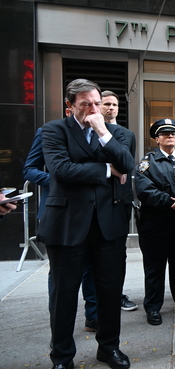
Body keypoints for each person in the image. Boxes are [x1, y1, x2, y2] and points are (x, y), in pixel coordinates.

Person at [38, 78, 134, 369]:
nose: (93, 109)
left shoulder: (119, 133)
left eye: (96, 103)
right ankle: (62, 356)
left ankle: (109, 348)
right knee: (64, 294)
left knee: (109, 291)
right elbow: (61, 169)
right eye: (85, 105)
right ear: (70, 107)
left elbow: (127, 165)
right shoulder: (54, 131)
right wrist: (107, 169)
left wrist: (103, 132)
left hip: (110, 226)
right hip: (68, 224)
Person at [23, 124, 99, 333]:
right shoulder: (49, 132)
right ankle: (59, 328)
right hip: (60, 214)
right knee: (60, 276)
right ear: (70, 107)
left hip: (92, 213)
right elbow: (30, 169)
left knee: (92, 269)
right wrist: (61, 180)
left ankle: (93, 317)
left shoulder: (99, 134)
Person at [135, 119, 175, 325]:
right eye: (164, 133)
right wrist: (171, 202)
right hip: (156, 223)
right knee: (154, 267)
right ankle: (153, 307)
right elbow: (144, 190)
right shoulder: (147, 162)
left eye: (173, 133)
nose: (170, 136)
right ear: (156, 138)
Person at [100, 90, 139, 311]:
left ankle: (118, 294)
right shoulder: (90, 132)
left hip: (120, 201)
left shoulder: (126, 134)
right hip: (97, 198)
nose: (111, 108)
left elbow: (126, 163)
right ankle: (96, 300)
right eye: (107, 104)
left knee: (118, 252)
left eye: (114, 105)